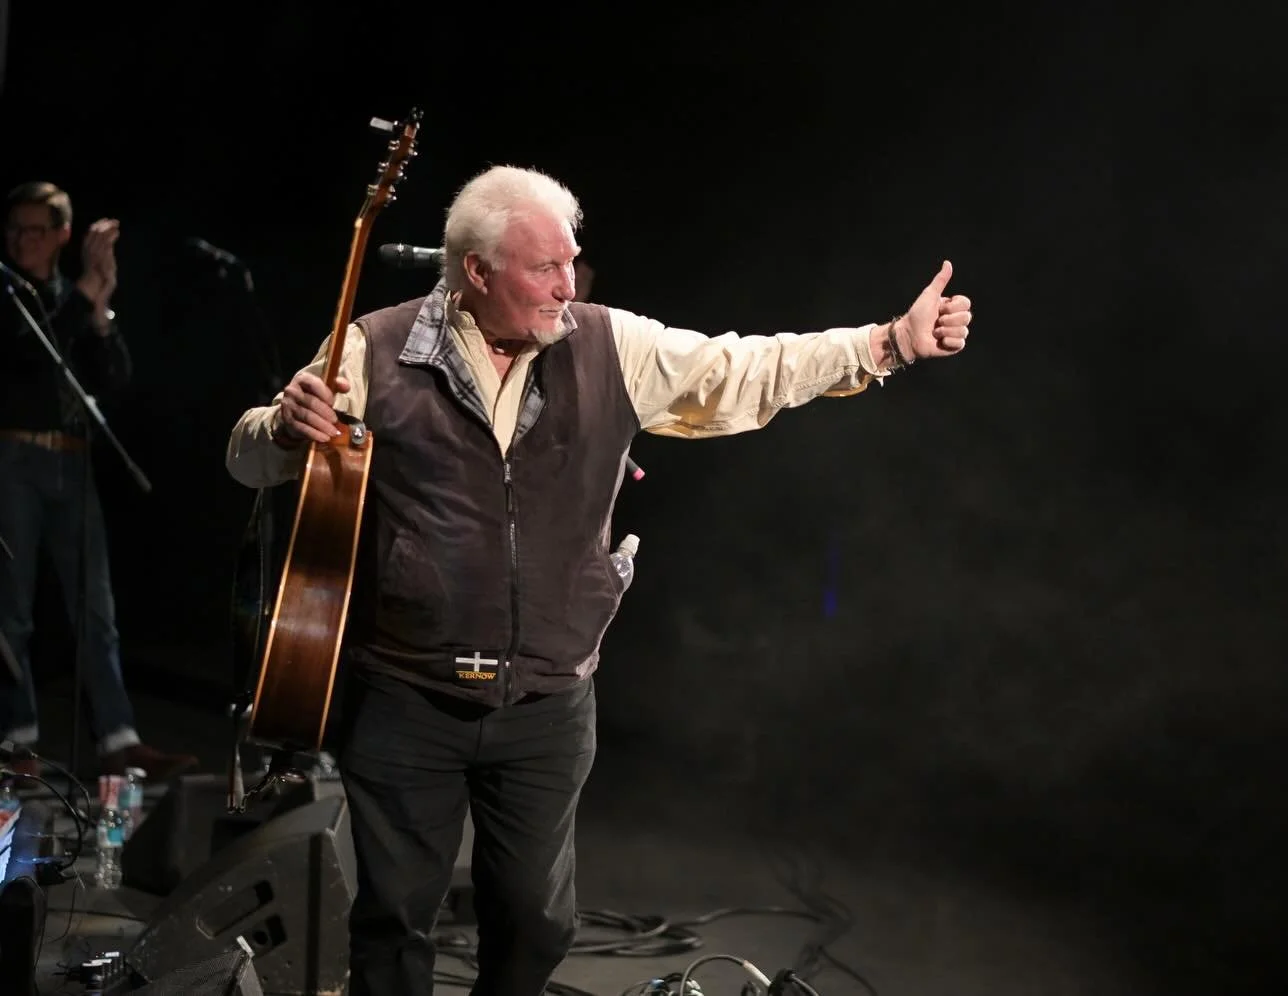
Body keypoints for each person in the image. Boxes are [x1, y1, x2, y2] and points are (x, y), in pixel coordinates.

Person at [224, 165, 973, 996]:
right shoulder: (377, 345)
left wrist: (889, 345)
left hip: (547, 701)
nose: (565, 284)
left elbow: (745, 370)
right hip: (407, 694)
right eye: (544, 268)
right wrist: (286, 429)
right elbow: (249, 456)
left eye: (572, 262)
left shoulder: (608, 343)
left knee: (537, 924)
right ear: (476, 271)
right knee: (394, 923)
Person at [0, 181, 199, 782]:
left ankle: (117, 739)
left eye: (35, 229)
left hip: (72, 461)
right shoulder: (8, 292)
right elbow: (25, 361)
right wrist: (84, 297)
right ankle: (16, 740)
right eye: (14, 229)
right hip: (13, 459)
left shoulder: (71, 297)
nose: (21, 240)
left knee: (97, 609)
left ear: (63, 234)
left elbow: (114, 378)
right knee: (12, 612)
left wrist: (103, 306)